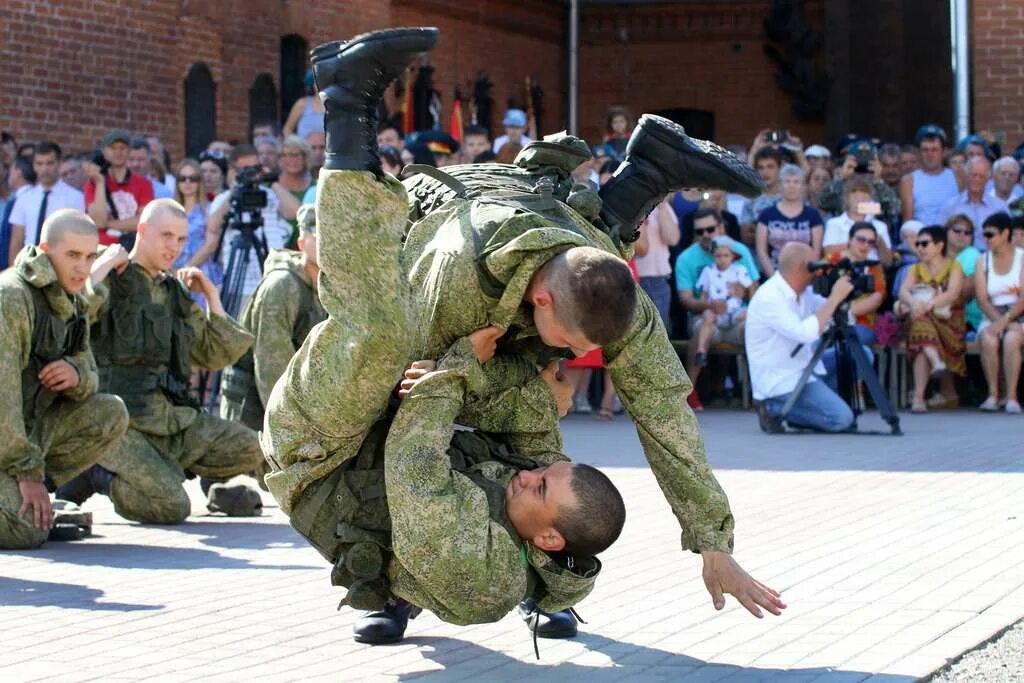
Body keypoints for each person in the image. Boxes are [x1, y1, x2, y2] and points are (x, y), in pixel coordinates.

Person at [266, 27, 781, 641]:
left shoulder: (614, 293)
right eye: (570, 342)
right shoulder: (459, 280)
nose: (578, 357)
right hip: (356, 407)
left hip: (519, 248)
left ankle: (649, 171)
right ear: (541, 299)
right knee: (380, 342)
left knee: (538, 430)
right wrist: (473, 374)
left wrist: (710, 542)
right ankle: (348, 102)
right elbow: (407, 397)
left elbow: (664, 412)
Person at [57, 199, 263, 521]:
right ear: (142, 230)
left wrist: (212, 298)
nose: (174, 247)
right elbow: (68, 316)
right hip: (122, 425)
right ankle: (96, 471)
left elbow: (213, 355)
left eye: (181, 239)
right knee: (172, 507)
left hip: (172, 421)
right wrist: (102, 266)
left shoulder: (175, 292)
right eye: (166, 236)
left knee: (254, 447)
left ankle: (205, 481)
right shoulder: (112, 277)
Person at [0, 210, 129, 548]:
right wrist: (27, 473)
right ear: (45, 249)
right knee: (27, 531)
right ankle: (22, 495)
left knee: (110, 412)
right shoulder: (12, 295)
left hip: (26, 433)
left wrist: (76, 373)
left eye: (90, 256)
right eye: (72, 255)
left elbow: (91, 373)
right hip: (8, 436)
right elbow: (4, 394)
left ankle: (25, 495)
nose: (83, 267)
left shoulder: (70, 297)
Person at [220, 204, 325, 432]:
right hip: (255, 412)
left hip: (291, 405)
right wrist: (288, 432)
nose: (328, 246)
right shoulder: (282, 286)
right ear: (302, 243)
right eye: (320, 237)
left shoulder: (326, 287)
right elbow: (271, 368)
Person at [746, 242, 856, 433]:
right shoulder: (770, 297)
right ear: (801, 269)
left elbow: (830, 312)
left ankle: (811, 407)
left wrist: (841, 293)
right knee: (841, 419)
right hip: (782, 381)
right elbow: (804, 333)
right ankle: (776, 408)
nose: (817, 272)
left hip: (804, 367)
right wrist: (835, 298)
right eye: (814, 266)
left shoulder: (804, 293)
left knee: (860, 356)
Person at [201, 144, 299, 313]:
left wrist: (270, 181)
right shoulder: (225, 199)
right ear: (233, 170)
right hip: (240, 284)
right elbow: (212, 225)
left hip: (271, 278)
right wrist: (235, 190)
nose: (252, 173)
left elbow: (295, 212)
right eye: (246, 169)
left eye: (255, 167)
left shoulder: (269, 195)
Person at [896, 225, 965, 414]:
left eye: (924, 243)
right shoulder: (915, 268)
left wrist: (928, 305)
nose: (920, 248)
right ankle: (936, 364)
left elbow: (952, 293)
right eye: (917, 244)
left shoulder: (953, 266)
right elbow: (903, 291)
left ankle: (919, 398)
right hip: (921, 317)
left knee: (920, 336)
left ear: (940, 245)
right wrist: (914, 303)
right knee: (921, 326)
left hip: (947, 319)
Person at [974, 213, 1024, 412]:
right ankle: (993, 394)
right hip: (993, 314)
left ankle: (1011, 396)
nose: (986, 239)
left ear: (1005, 234)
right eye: (984, 235)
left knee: (1012, 339)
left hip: (1017, 314)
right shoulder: (982, 261)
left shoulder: (1022, 257)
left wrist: (1007, 320)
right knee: (989, 338)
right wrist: (999, 322)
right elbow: (982, 298)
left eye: (990, 235)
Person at [8, 142, 86, 264]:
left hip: (59, 264)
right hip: (28, 263)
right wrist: (14, 272)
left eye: (50, 163)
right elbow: (16, 240)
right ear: (34, 165)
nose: (44, 169)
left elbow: (79, 238)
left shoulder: (75, 198)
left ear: (59, 164)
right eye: (39, 163)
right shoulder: (24, 198)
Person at [84, 129, 155, 247]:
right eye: (112, 148)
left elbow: (144, 221)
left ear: (129, 151)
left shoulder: (144, 184)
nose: (118, 152)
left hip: (132, 249)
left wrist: (109, 223)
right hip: (102, 250)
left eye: (122, 148)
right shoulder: (93, 184)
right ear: (104, 151)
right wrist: (100, 183)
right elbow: (98, 221)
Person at [692, 236, 754, 367]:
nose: (722, 259)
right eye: (718, 256)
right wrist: (706, 307)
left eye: (726, 255)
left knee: (749, 316)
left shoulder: (739, 270)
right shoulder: (708, 271)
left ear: (732, 256)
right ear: (713, 256)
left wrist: (741, 291)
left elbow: (750, 289)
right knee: (707, 317)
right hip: (716, 312)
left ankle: (754, 357)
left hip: (735, 311)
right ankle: (701, 351)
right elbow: (704, 294)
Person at [817, 139, 902, 231]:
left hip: (874, 235)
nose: (862, 173)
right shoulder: (841, 186)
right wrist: (842, 178)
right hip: (844, 233)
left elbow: (894, 210)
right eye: (858, 167)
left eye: (867, 167)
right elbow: (822, 202)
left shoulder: (880, 187)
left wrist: (878, 181)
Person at [756, 164, 824, 276]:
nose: (791, 186)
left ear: (803, 187)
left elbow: (816, 251)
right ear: (780, 186)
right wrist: (775, 278)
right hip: (774, 274)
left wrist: (804, 276)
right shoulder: (766, 214)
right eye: (787, 181)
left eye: (796, 182)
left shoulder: (813, 215)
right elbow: (761, 251)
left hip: (804, 274)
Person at [827, 221, 887, 346]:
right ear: (849, 239)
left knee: (849, 342)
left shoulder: (874, 268)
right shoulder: (830, 261)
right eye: (861, 240)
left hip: (861, 324)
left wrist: (842, 311)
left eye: (871, 242)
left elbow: (876, 298)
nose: (865, 245)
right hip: (826, 321)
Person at [173, 158, 221, 305]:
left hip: (201, 271)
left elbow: (210, 245)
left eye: (192, 179)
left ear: (199, 181)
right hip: (172, 271)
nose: (187, 183)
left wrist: (186, 269)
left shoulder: (210, 208)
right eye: (183, 178)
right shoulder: (169, 209)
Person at [940, 156, 1008, 249]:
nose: (977, 179)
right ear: (966, 175)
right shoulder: (951, 206)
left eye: (981, 176)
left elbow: (1007, 239)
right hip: (958, 258)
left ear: (988, 179)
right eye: (973, 175)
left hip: (989, 257)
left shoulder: (1000, 208)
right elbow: (940, 236)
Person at [823, 178, 894, 267]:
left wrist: (880, 243)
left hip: (872, 272)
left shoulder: (880, 226)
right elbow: (828, 252)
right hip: (841, 270)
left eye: (864, 198)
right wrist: (857, 242)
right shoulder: (834, 223)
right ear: (846, 199)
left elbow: (888, 262)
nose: (860, 201)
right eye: (856, 198)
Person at [633, 198, 680, 328]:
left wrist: (662, 206)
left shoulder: (663, 207)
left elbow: (672, 239)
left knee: (661, 329)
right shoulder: (628, 205)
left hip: (658, 279)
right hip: (634, 278)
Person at [900, 125, 959, 226]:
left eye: (934, 150)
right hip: (921, 237)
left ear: (943, 152)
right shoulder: (909, 181)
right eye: (925, 150)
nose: (929, 154)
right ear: (919, 152)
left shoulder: (957, 177)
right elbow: (908, 223)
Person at [740, 147, 783, 244]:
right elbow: (745, 237)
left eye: (770, 166)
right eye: (761, 167)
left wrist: (758, 230)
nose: (765, 172)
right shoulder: (751, 198)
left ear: (780, 168)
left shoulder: (790, 195)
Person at [278, 135, 315, 246]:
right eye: (287, 155)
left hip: (307, 247)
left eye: (297, 155)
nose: (292, 160)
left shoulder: (315, 187)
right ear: (280, 158)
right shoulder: (271, 185)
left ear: (306, 158)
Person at [1, 157, 36, 269]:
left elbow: (10, 238)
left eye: (11, 171)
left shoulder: (18, 201)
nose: (8, 176)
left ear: (18, 172)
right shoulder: (36, 198)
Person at [283, 70, 326, 138]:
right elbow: (287, 129)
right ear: (312, 84)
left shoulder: (338, 105)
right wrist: (295, 145)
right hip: (304, 148)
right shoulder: (302, 104)